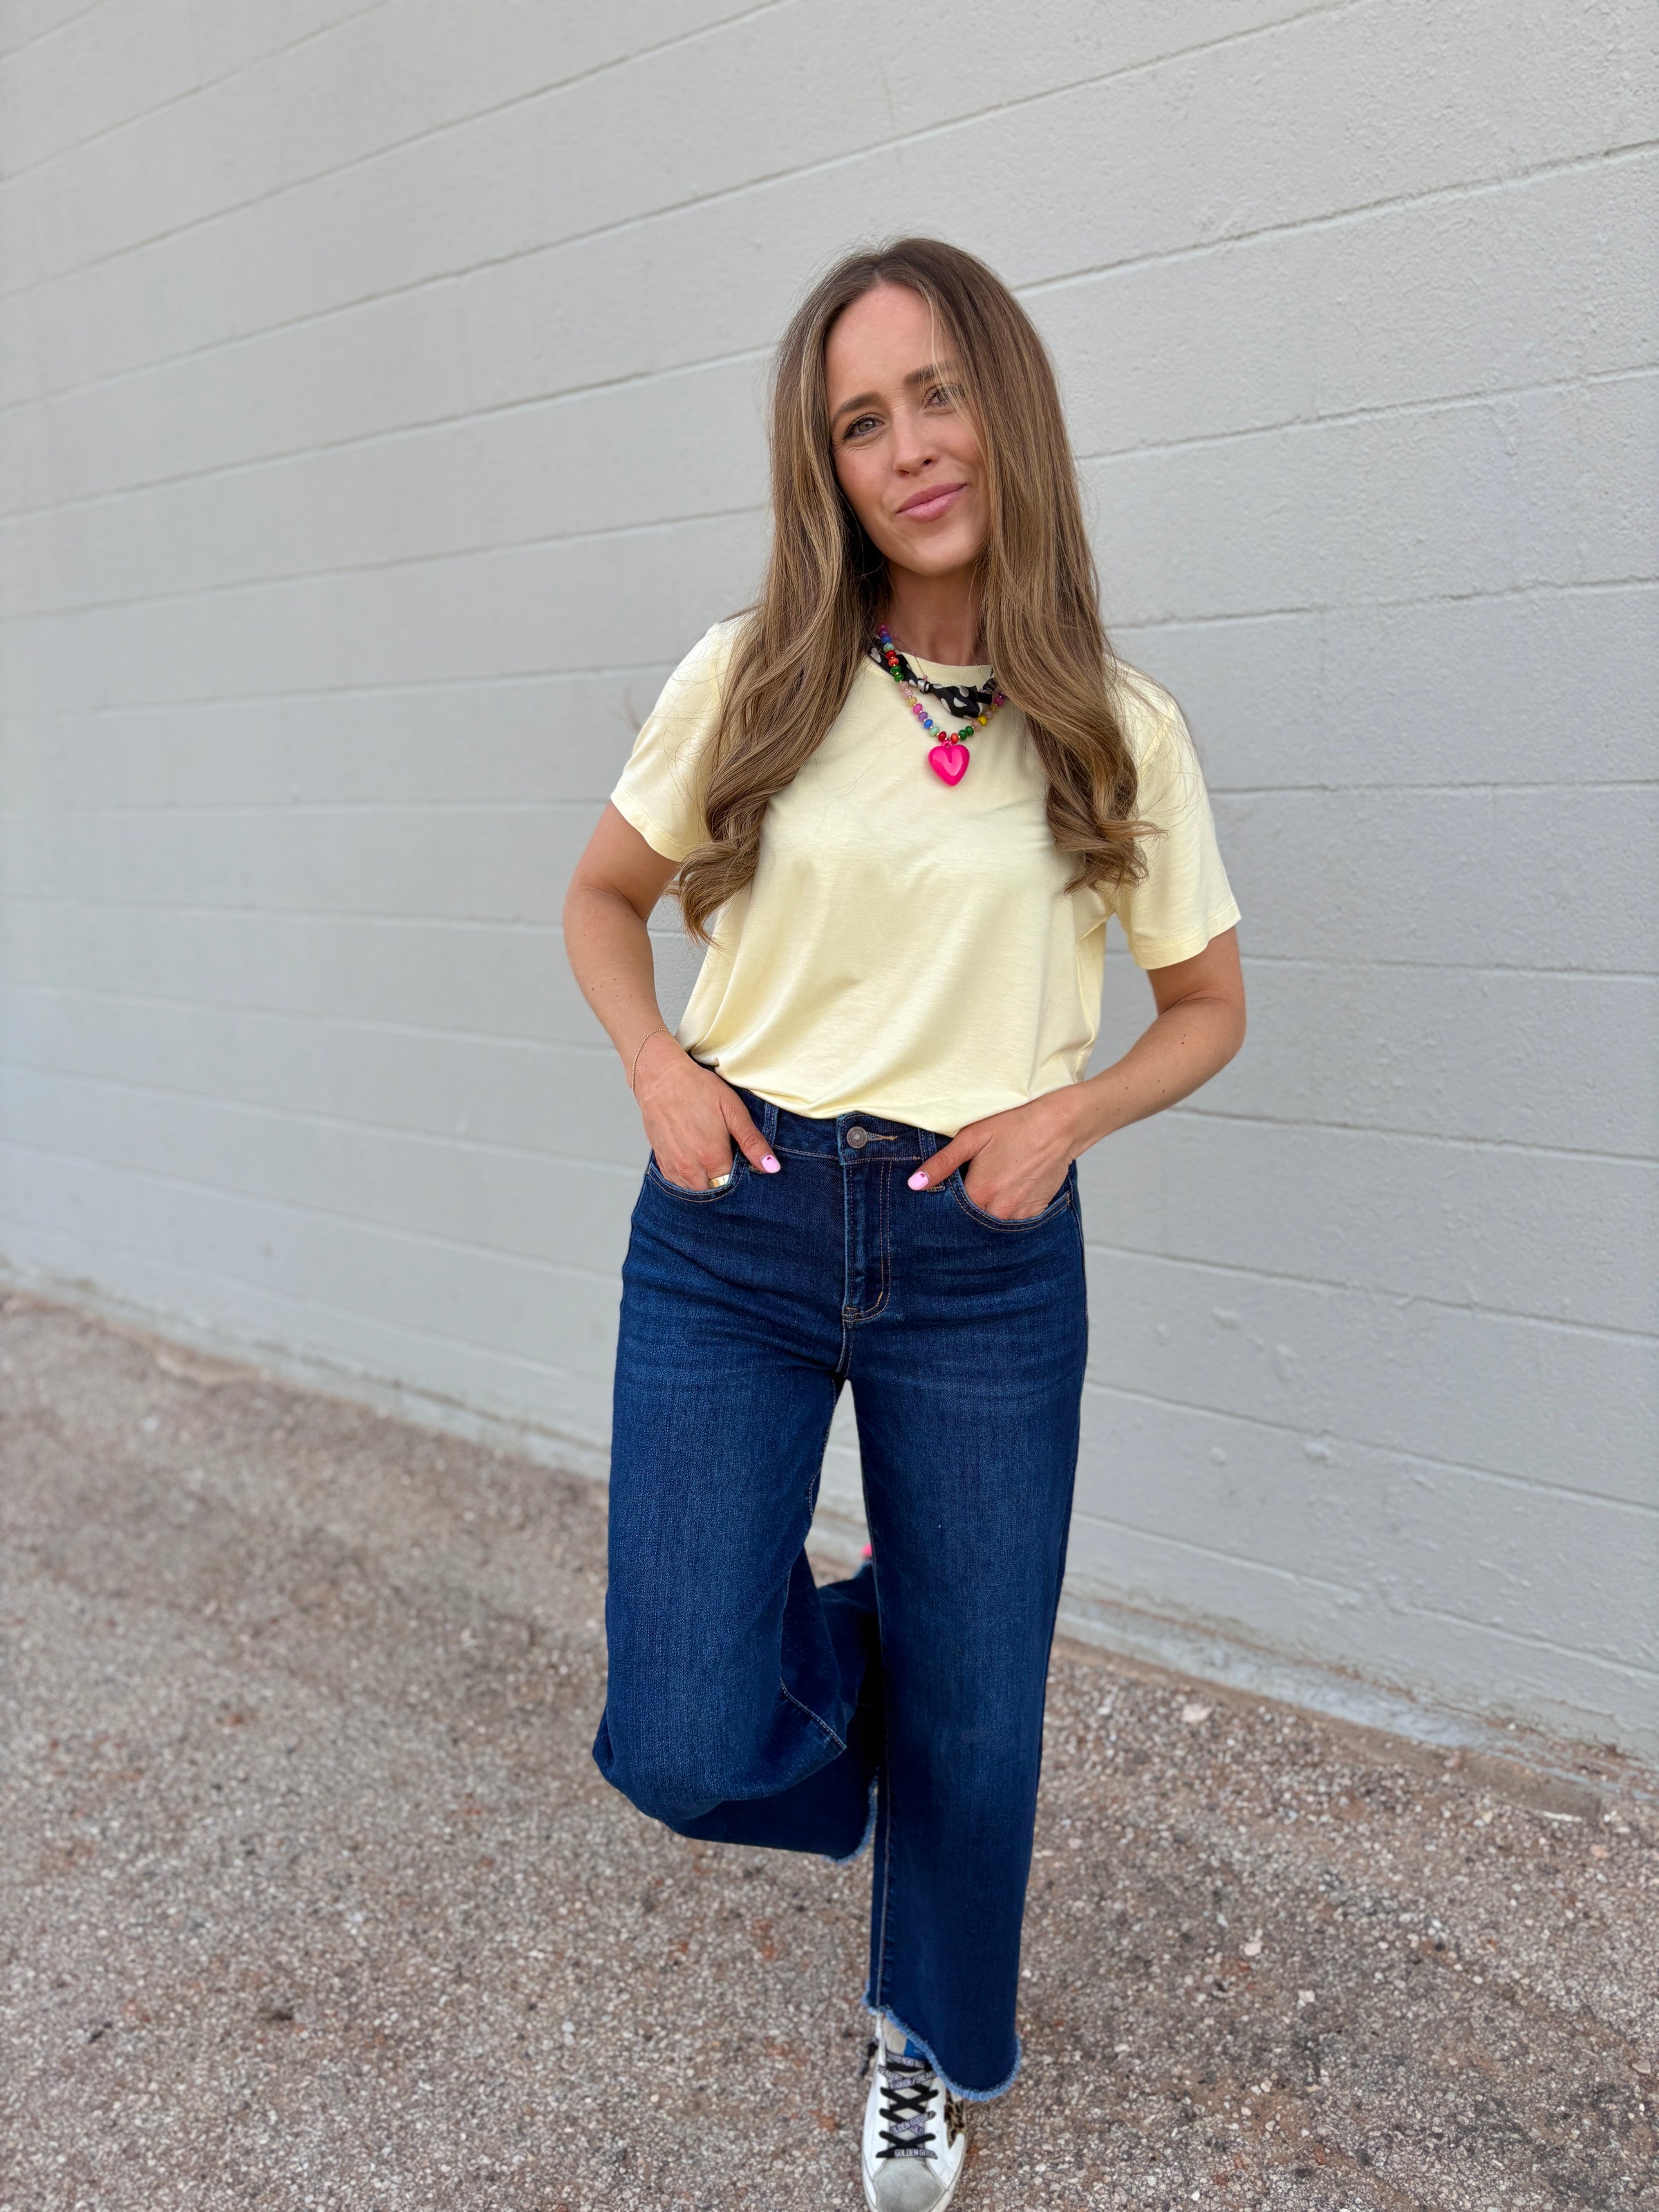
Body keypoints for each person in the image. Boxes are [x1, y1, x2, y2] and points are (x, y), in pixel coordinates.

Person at [563, 236, 1244, 2211]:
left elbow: (1208, 1007)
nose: (911, 447)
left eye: (938, 394)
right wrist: (659, 1069)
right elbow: (601, 900)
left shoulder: (1117, 725)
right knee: (684, 1734)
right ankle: (921, 1644)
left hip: (981, 1254)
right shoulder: (753, 675)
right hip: (739, 1222)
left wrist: (1071, 1115)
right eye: (863, 422)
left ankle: (928, 2042)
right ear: (831, 468)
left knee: (982, 1718)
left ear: (1005, 409)